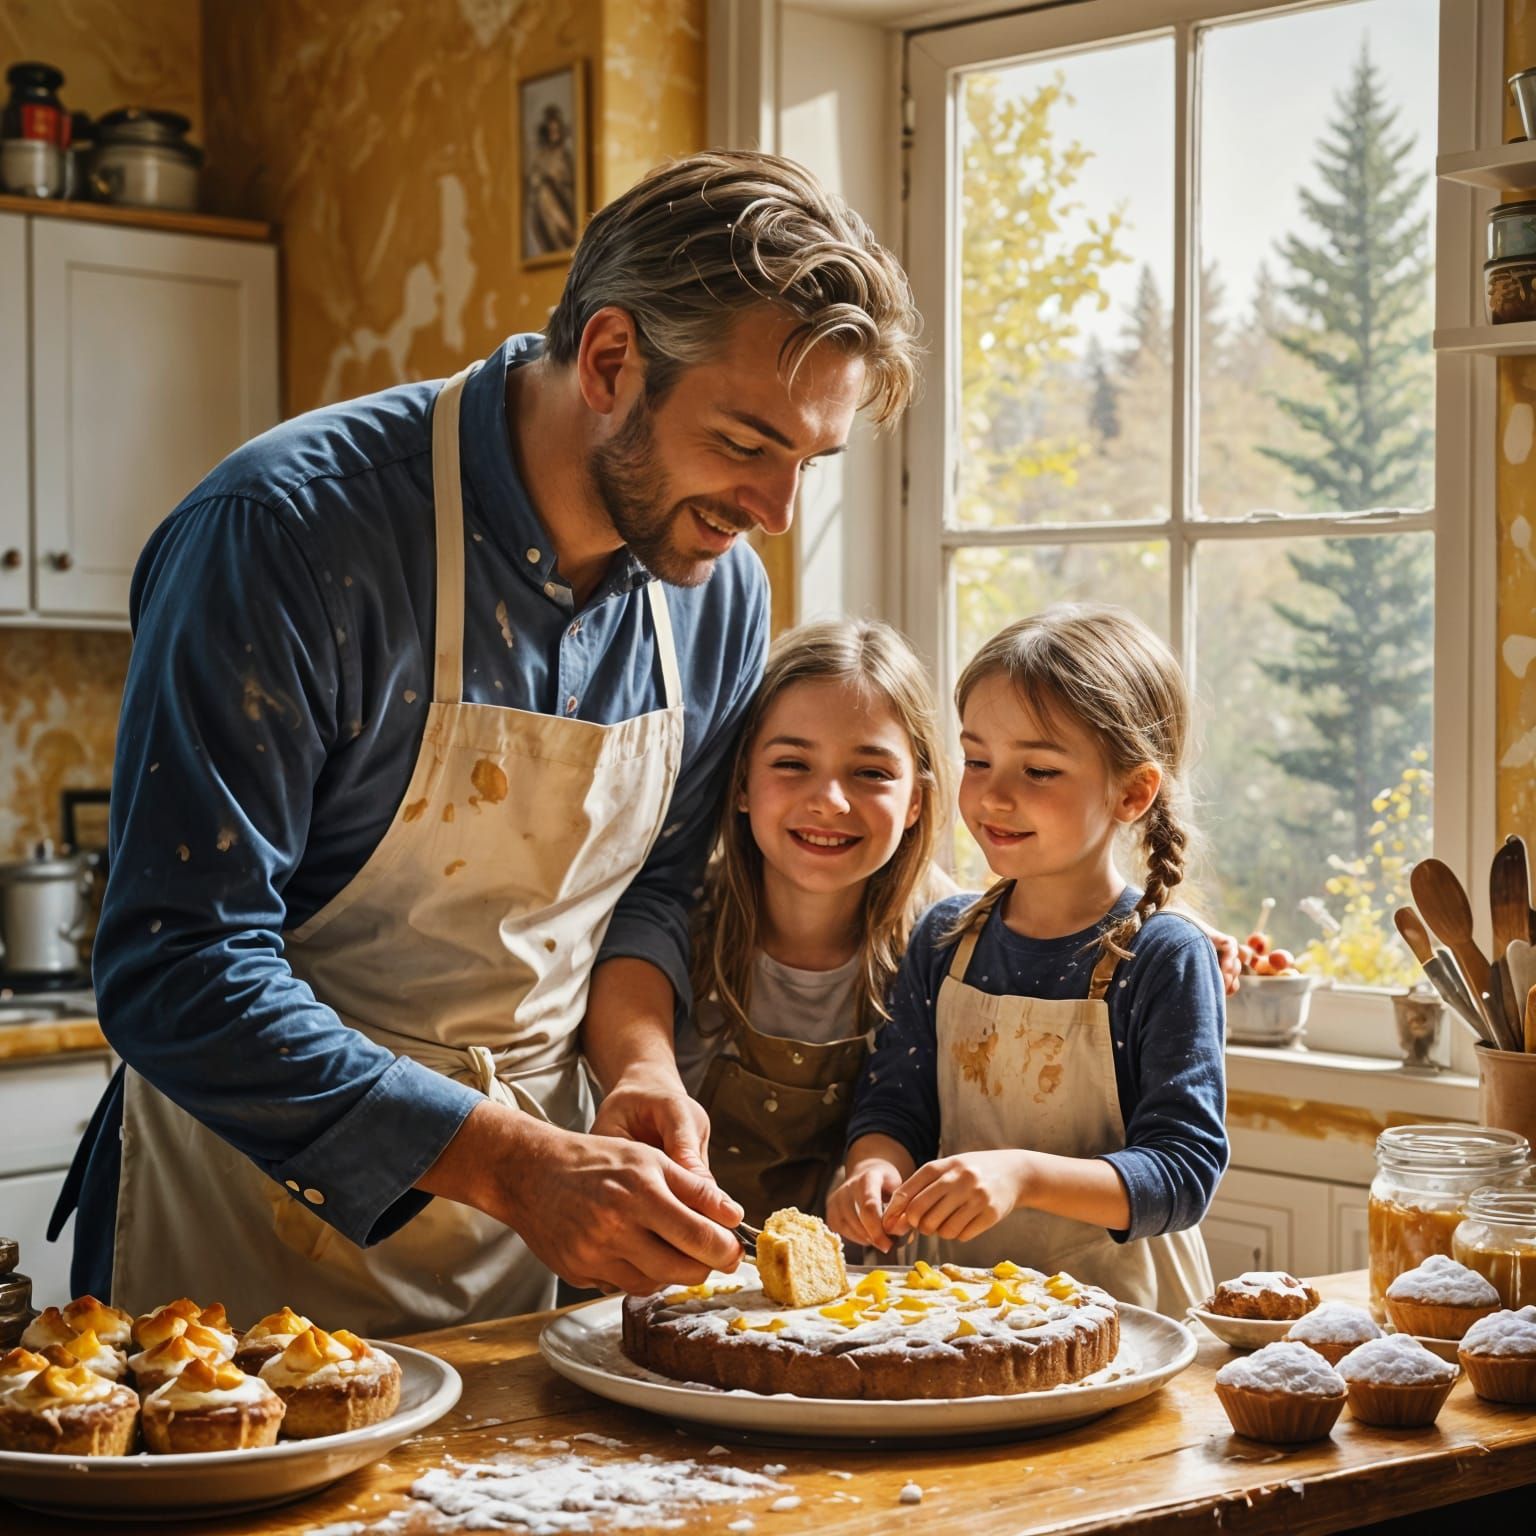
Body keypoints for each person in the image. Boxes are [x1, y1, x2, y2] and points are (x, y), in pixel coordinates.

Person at [51, 151, 921, 1334]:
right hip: (233, 1250)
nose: (774, 513)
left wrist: (642, 1071)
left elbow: (654, 893)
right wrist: (513, 1164)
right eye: (746, 443)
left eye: (809, 464)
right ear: (611, 361)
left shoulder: (715, 593)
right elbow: (175, 967)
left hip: (519, 1254)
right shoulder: (284, 538)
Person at [827, 604, 1227, 1316]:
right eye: (977, 760)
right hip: (954, 1314)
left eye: (1038, 769)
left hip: (1126, 1320)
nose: (994, 794)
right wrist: (874, 1169)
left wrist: (1022, 1176)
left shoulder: (1164, 956)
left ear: (1133, 792)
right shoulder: (945, 938)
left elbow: (1182, 1172)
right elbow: (897, 1103)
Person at [674, 618, 952, 1225]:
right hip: (668, 1272)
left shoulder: (949, 933)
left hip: (854, 1297)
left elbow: (1059, 928)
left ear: (916, 803)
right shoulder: (677, 920)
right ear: (742, 780)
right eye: (793, 763)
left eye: (871, 772)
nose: (829, 800)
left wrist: (1174, 934)